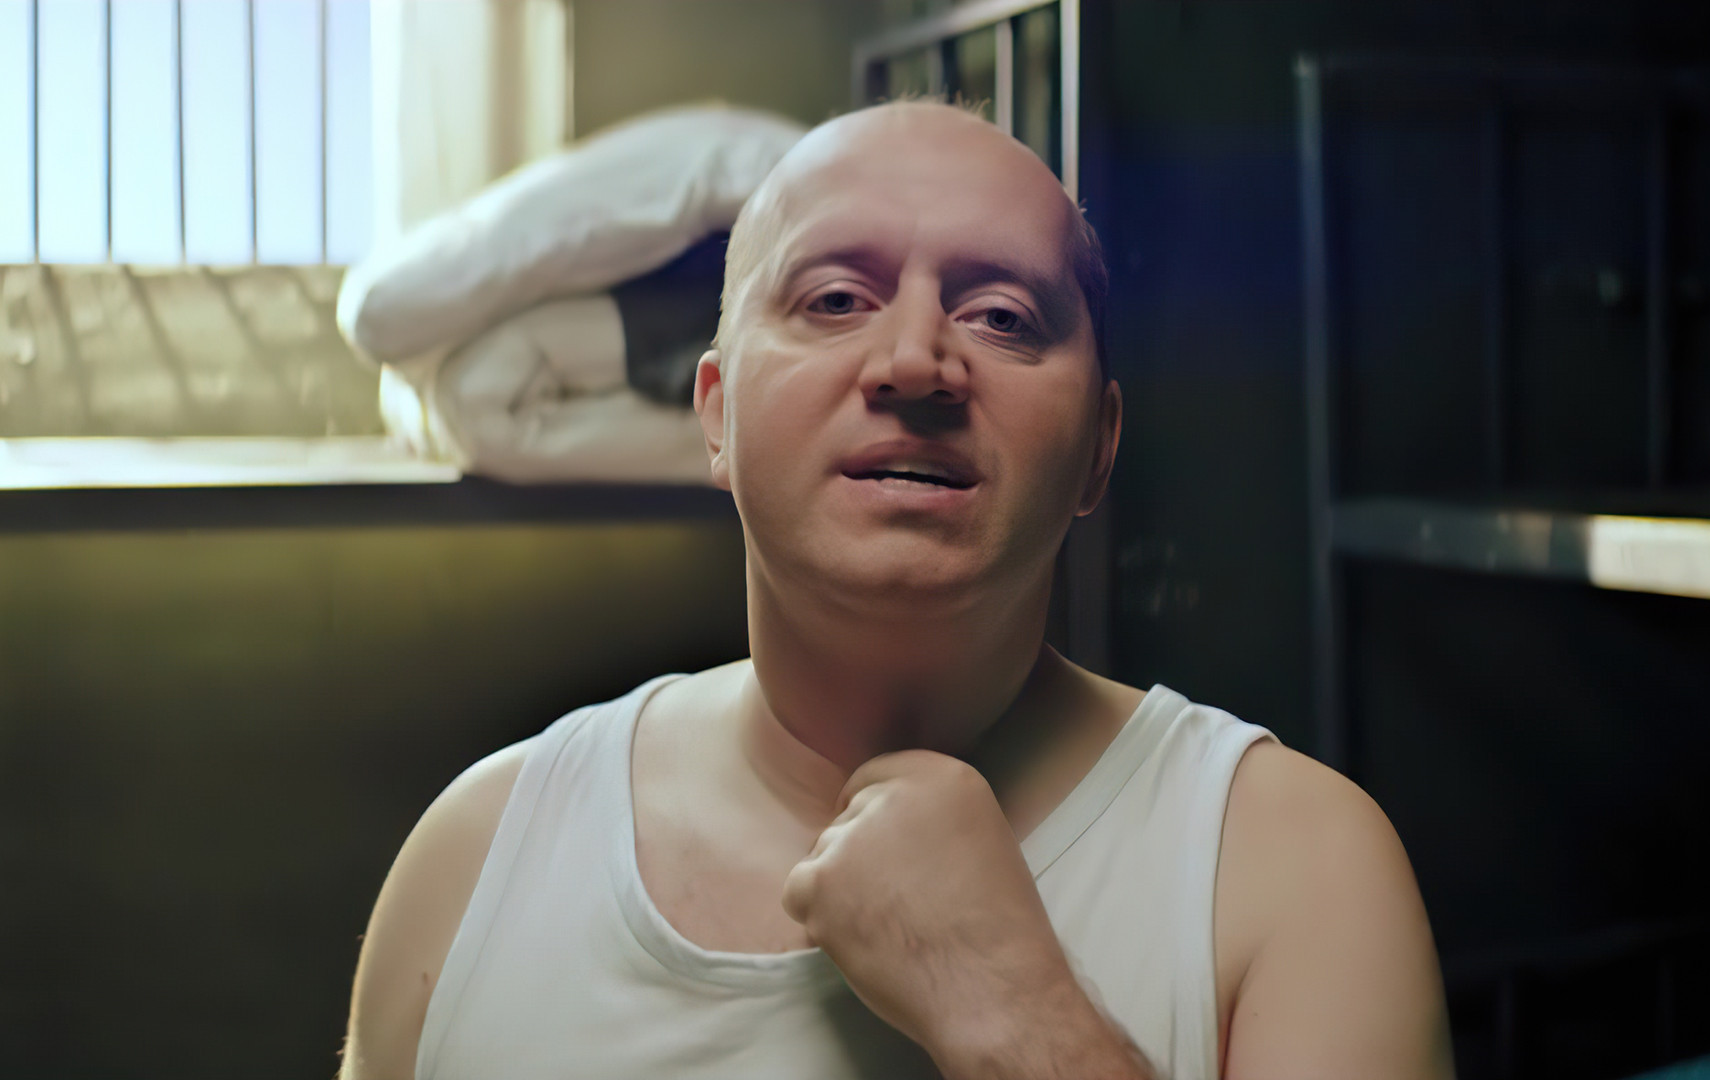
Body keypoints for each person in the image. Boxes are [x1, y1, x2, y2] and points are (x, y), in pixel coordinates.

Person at [339, 100, 1453, 1080]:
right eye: (834, 299)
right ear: (717, 415)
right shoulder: (477, 858)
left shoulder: (1294, 873)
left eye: (1002, 317)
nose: (916, 361)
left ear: (1100, 450)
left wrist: (1009, 1006)